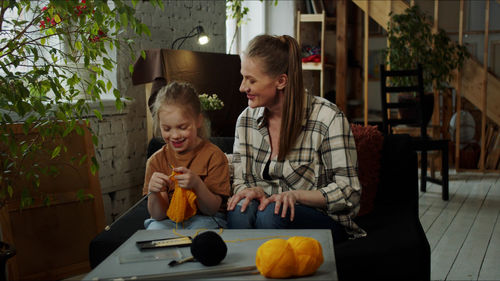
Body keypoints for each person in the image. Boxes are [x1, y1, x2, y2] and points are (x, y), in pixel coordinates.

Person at [227, 34, 365, 242]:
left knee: (272, 214)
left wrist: (295, 196)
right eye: (243, 77)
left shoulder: (327, 118)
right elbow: (239, 180)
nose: (242, 87)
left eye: (251, 80)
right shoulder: (245, 121)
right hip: (268, 208)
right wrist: (250, 190)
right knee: (240, 210)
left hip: (320, 217)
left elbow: (348, 192)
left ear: (281, 81)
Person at [143, 81, 230, 230]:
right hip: (167, 220)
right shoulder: (156, 161)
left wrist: (197, 185)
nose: (175, 135)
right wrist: (154, 192)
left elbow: (212, 209)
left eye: (182, 127)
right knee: (155, 230)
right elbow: (158, 215)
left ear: (198, 121)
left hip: (206, 218)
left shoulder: (214, 156)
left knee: (202, 234)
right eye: (167, 129)